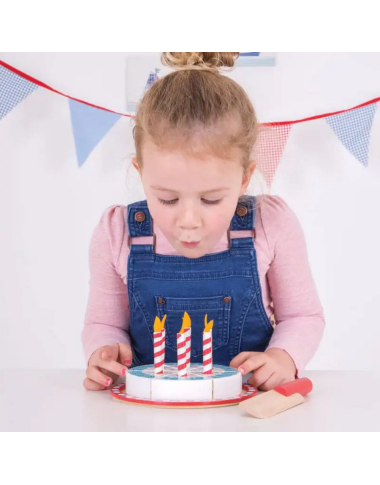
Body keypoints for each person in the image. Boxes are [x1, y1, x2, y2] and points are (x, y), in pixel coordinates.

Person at [82, 52, 325, 392]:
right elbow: (102, 322)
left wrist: (284, 357)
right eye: (167, 199)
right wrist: (103, 350)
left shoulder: (271, 225)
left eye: (211, 200)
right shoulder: (116, 233)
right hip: (151, 413)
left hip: (246, 413)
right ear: (141, 173)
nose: (189, 221)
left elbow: (303, 316)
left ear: (244, 179)